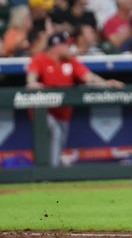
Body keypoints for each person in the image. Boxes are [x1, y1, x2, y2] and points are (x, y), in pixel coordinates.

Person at [26, 31, 124, 167]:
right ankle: (52, 171)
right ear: (56, 46)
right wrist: (32, 83)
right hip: (43, 111)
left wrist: (105, 83)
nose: (70, 48)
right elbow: (31, 78)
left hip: (63, 112)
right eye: (66, 45)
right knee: (55, 132)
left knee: (60, 140)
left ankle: (53, 166)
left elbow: (89, 77)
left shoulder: (71, 61)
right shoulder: (40, 58)